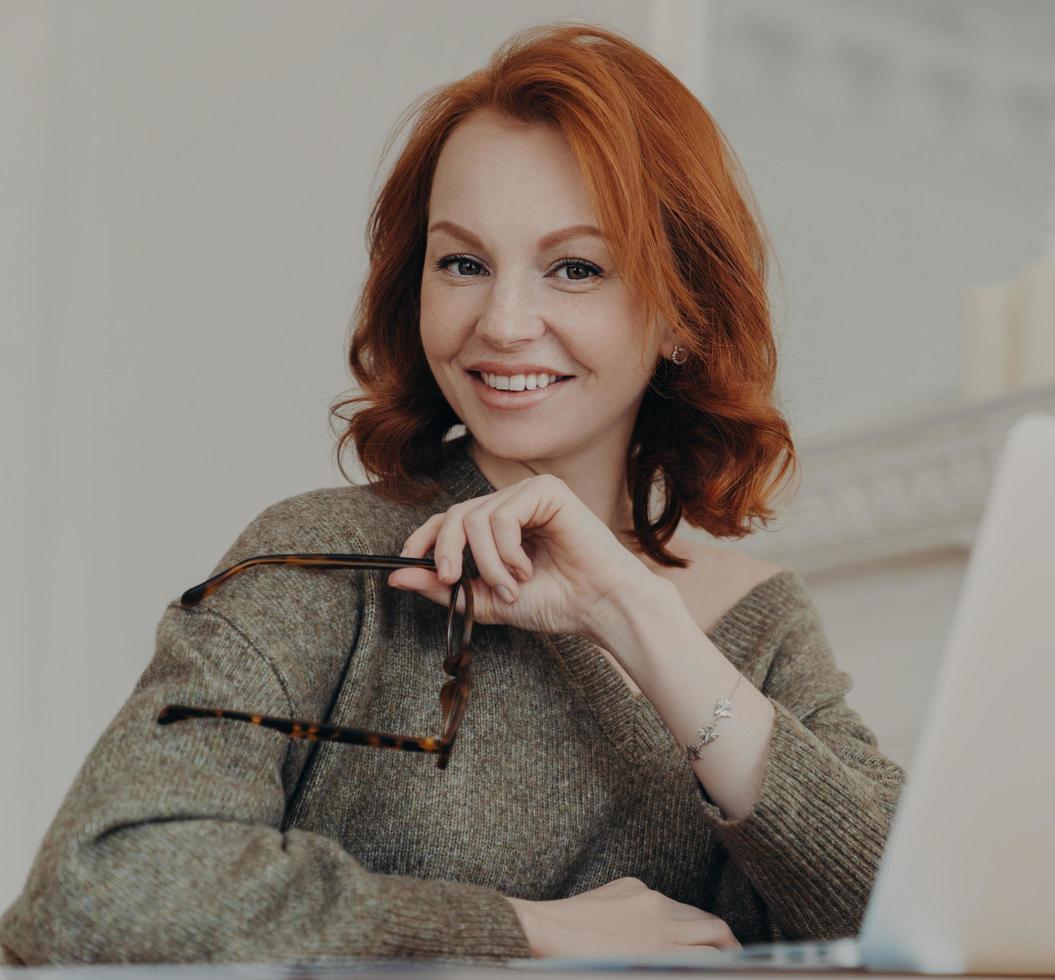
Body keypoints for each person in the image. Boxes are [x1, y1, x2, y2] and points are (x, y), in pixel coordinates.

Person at [0, 21, 905, 967]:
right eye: (463, 263)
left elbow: (910, 918)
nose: (503, 323)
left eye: (575, 268)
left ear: (682, 312)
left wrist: (637, 615)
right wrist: (527, 930)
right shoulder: (322, 560)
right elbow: (95, 887)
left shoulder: (758, 628)